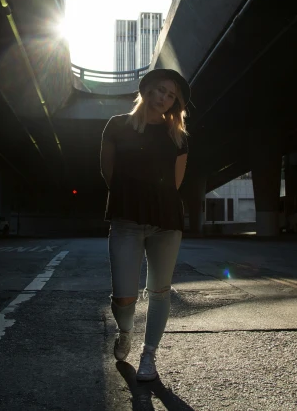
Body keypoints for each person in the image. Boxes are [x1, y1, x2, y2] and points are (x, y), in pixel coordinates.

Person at [99, 67, 191, 382]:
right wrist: (131, 197)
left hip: (166, 221)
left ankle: (149, 356)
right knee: (123, 296)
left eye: (171, 95)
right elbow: (108, 173)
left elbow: (175, 183)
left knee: (160, 291)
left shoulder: (176, 136)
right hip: (126, 219)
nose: (164, 98)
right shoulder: (116, 127)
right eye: (161, 90)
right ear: (147, 89)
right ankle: (125, 331)